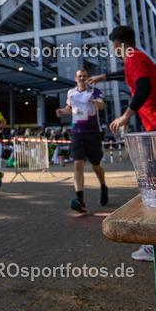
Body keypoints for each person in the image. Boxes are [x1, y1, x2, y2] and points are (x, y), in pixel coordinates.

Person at [90, 25, 156, 268]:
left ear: (116, 45)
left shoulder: (134, 59)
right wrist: (105, 77)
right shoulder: (135, 57)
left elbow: (143, 86)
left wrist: (126, 115)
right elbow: (132, 78)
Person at [56, 68, 109, 212]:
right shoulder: (71, 93)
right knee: (78, 164)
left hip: (93, 132)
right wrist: (62, 111)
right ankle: (80, 199)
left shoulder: (93, 90)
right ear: (75, 78)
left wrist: (98, 103)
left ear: (88, 78)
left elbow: (102, 103)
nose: (82, 78)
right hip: (76, 132)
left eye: (84, 76)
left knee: (95, 165)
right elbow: (69, 108)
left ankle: (104, 187)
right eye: (79, 76)